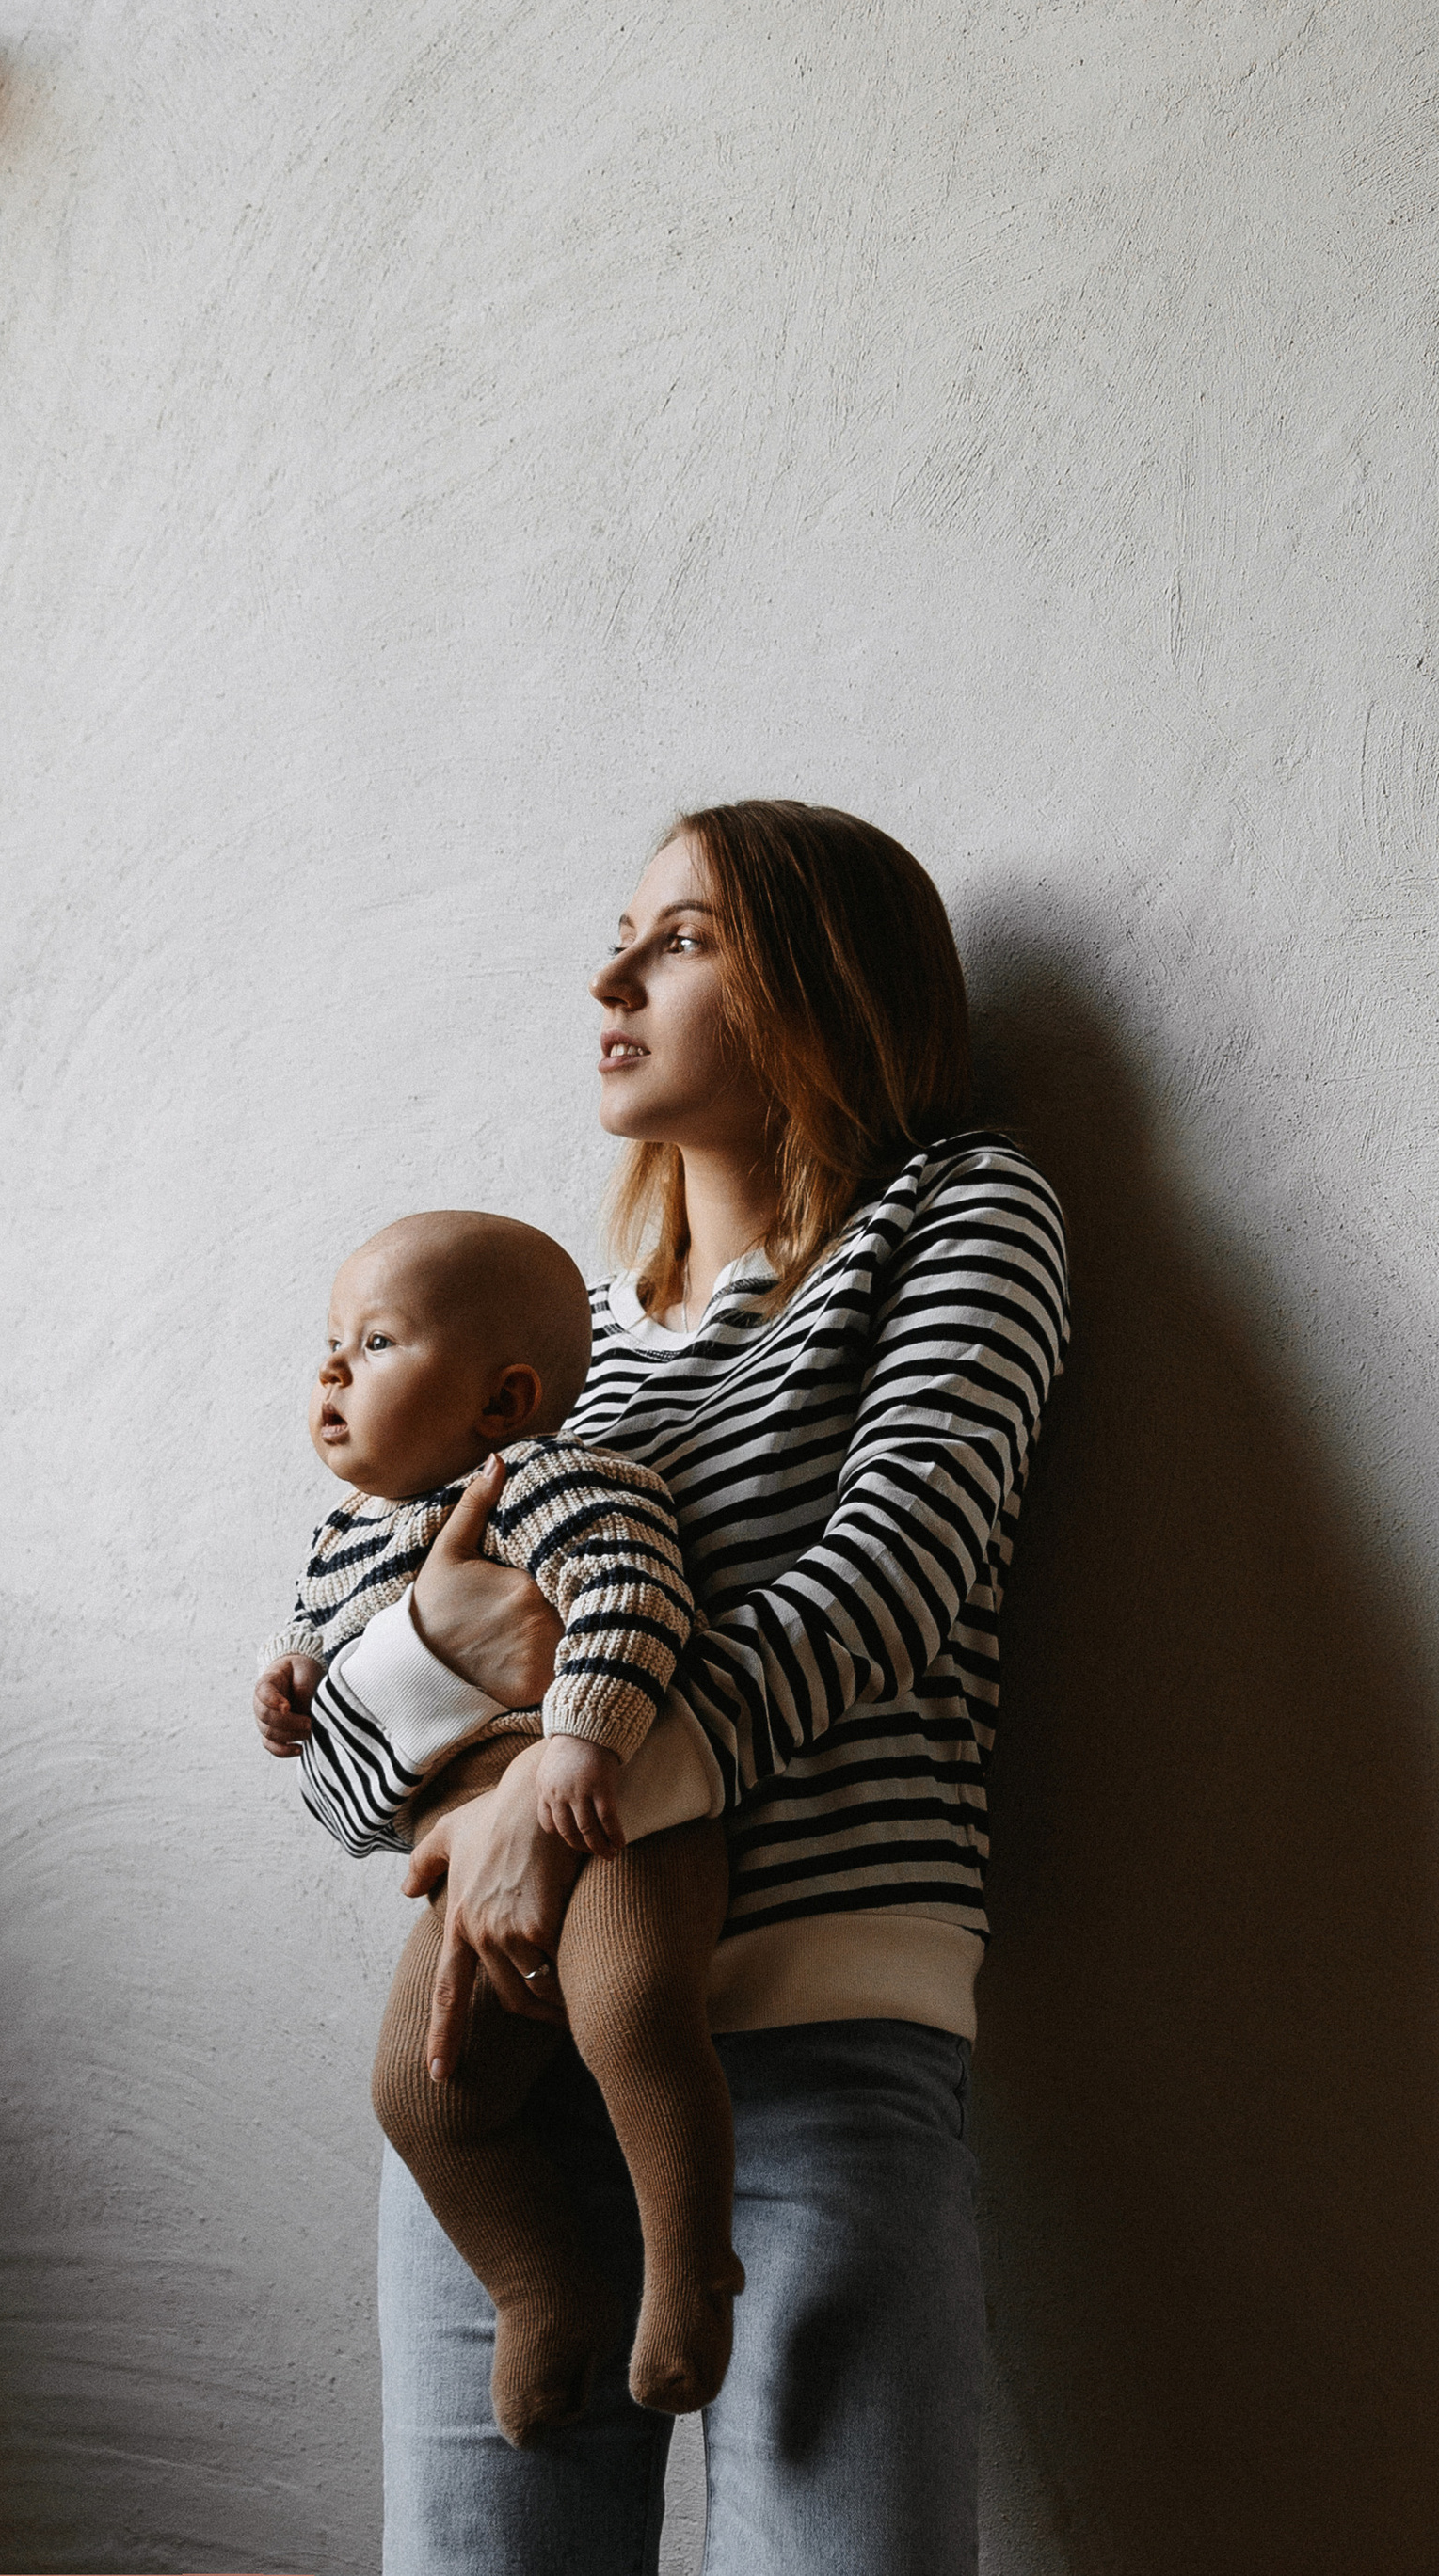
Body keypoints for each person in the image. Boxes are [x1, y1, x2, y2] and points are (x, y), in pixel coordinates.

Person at [277, 799, 1071, 2576]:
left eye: (685, 936)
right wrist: (440, 1659)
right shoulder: (551, 1345)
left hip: (818, 2044)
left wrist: (570, 1798)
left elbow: (897, 1579)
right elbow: (345, 1781)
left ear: (824, 978)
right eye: (623, 929)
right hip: (492, 2056)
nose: (610, 973)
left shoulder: (958, 1212)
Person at [253, 1207, 741, 2443]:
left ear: (501, 1397)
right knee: (421, 2091)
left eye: (373, 1341)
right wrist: (303, 1680)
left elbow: (635, 1588)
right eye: (329, 1340)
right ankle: (542, 2287)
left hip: (609, 1810)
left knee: (631, 2003)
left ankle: (688, 2266)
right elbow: (345, 1777)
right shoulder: (337, 1545)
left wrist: (579, 1731)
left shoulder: (552, 1480)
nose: (330, 1369)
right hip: (460, 1855)